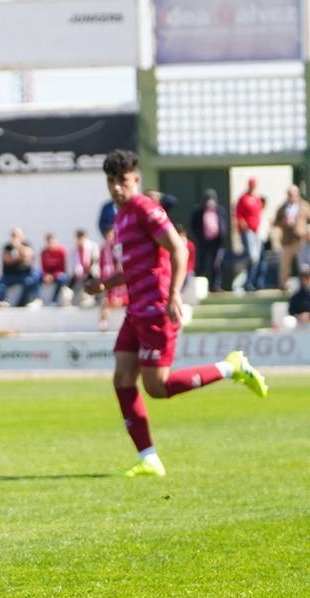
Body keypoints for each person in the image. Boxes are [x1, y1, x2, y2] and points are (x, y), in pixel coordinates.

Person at [86, 150, 268, 478]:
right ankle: (149, 457)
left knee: (158, 387)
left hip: (156, 308)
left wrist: (173, 294)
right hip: (135, 309)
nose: (116, 188)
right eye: (111, 181)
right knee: (122, 378)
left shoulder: (144, 208)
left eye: (122, 181)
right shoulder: (121, 216)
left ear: (135, 180)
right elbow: (133, 267)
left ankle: (231, 367)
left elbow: (178, 249)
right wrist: (104, 283)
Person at [272, 185, 310, 291]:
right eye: (289, 194)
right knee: (284, 266)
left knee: (303, 266)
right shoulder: (283, 207)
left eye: (293, 194)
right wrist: (282, 222)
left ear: (298, 195)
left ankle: (305, 287)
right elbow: (275, 222)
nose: (291, 197)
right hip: (287, 241)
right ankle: (283, 286)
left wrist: (307, 231)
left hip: (301, 240)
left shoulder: (304, 206)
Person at [188, 189, 227, 291]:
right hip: (203, 241)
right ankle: (200, 287)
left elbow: (223, 224)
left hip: (217, 241)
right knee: (202, 263)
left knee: (217, 264)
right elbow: (193, 225)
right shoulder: (198, 211)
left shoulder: (220, 210)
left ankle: (216, 285)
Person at [235, 177, 265, 291]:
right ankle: (248, 282)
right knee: (253, 257)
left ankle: (252, 282)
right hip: (248, 232)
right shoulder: (243, 198)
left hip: (257, 232)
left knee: (257, 258)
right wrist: (242, 225)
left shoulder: (257, 199)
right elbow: (238, 214)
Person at [0, 228, 39, 307]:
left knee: (31, 280)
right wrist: (20, 258)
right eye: (13, 235)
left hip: (23, 275)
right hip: (9, 275)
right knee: (0, 284)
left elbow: (28, 254)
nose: (15, 237)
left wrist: (18, 247)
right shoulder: (7, 247)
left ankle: (22, 303)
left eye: (17, 235)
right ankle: (2, 301)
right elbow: (6, 259)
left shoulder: (27, 244)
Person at [70, 229, 99, 307]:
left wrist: (88, 269)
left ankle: (94, 298)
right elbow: (74, 263)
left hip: (92, 273)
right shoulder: (74, 249)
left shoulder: (92, 246)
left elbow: (95, 259)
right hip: (80, 274)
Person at [39, 234, 69, 305]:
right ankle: (38, 299)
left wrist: (53, 276)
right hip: (48, 275)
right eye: (49, 242)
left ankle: (54, 300)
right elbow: (43, 267)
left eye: (52, 242)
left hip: (58, 274)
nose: (51, 244)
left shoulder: (61, 251)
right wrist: (46, 275)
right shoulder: (44, 252)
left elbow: (63, 268)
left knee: (62, 278)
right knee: (36, 276)